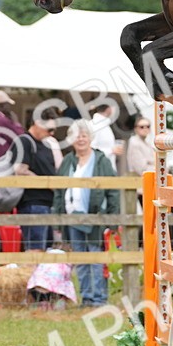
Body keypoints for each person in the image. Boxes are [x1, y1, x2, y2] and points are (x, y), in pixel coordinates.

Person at [52, 120, 119, 307]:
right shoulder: (68, 161)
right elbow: (59, 190)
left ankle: (99, 298)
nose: (80, 139)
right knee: (80, 259)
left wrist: (113, 220)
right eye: (77, 136)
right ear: (71, 139)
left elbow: (113, 191)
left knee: (96, 258)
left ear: (90, 138)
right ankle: (86, 298)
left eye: (84, 135)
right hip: (73, 218)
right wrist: (57, 216)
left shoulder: (101, 160)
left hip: (96, 217)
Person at [13, 117, 58, 252]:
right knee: (35, 251)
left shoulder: (45, 144)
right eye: (50, 129)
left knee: (45, 250)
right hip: (33, 202)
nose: (52, 134)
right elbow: (20, 171)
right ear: (38, 123)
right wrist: (46, 183)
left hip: (46, 203)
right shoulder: (24, 141)